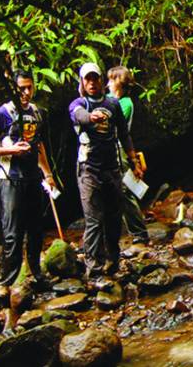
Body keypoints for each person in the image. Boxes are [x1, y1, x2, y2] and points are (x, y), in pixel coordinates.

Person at [0, 70, 57, 288]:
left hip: (33, 178)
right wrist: (12, 150)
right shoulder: (2, 114)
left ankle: (36, 274)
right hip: (9, 179)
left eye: (29, 87)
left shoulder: (36, 112)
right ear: (13, 88)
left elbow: (39, 145)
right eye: (21, 88)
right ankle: (8, 280)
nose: (26, 92)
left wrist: (48, 174)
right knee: (12, 232)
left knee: (35, 229)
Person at [69, 62, 142, 280]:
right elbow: (78, 115)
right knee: (93, 220)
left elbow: (123, 134)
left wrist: (133, 159)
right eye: (87, 79)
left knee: (113, 218)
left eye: (95, 79)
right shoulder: (79, 104)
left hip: (112, 169)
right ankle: (95, 270)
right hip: (89, 170)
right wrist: (91, 118)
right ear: (82, 83)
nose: (92, 83)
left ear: (101, 80)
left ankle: (113, 260)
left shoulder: (112, 104)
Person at [106, 65, 150, 244]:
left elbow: (113, 124)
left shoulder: (125, 103)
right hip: (104, 151)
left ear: (120, 83)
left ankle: (139, 232)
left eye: (111, 80)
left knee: (124, 190)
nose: (107, 84)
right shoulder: (107, 98)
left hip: (119, 151)